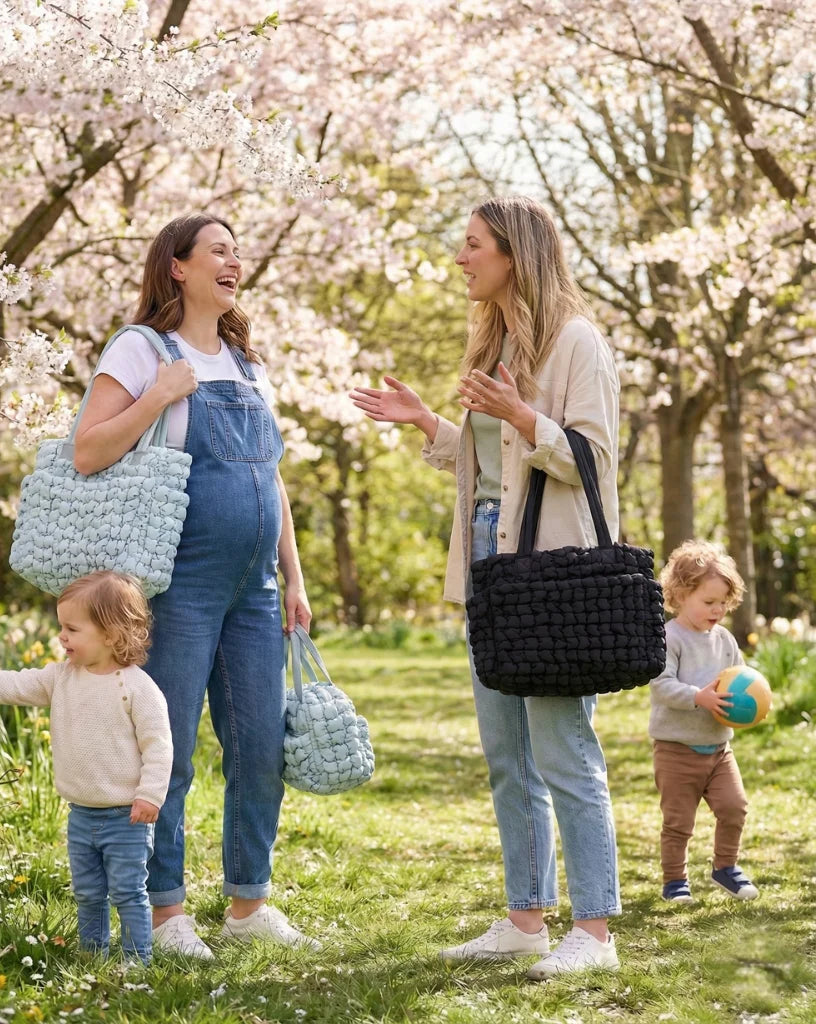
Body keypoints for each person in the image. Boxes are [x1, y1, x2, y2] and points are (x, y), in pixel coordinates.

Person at [350, 195, 622, 980]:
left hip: (550, 569)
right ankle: (525, 920)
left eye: (472, 245)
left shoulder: (576, 341)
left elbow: (592, 463)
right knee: (508, 755)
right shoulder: (498, 338)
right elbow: (491, 465)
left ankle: (597, 931)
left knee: (564, 751)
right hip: (489, 561)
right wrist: (430, 424)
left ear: (513, 252)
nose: (460, 258)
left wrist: (524, 415)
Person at [71, 213, 317, 960]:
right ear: (177, 267)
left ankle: (248, 902)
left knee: (260, 747)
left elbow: (269, 477)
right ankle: (168, 908)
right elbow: (86, 450)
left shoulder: (247, 363)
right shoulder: (142, 349)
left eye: (237, 251)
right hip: (177, 583)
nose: (234, 260)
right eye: (219, 250)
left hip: (256, 591)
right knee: (167, 747)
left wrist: (294, 576)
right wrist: (156, 397)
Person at [0, 570, 172, 965]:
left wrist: (150, 796)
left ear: (112, 634)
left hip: (126, 817)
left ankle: (137, 959)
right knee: (88, 891)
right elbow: (18, 684)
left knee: (129, 891)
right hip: (81, 814)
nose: (62, 636)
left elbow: (159, 747)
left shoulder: (137, 688)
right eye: (61, 626)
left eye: (72, 629)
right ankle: (93, 953)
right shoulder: (61, 678)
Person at [650, 540, 758, 904]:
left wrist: (755, 698)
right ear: (680, 595)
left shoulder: (725, 639)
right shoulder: (670, 637)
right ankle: (674, 880)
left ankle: (725, 867)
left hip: (718, 748)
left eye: (723, 603)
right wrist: (699, 696)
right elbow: (661, 685)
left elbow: (740, 676)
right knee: (678, 821)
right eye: (708, 602)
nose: (717, 610)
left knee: (734, 807)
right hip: (676, 750)